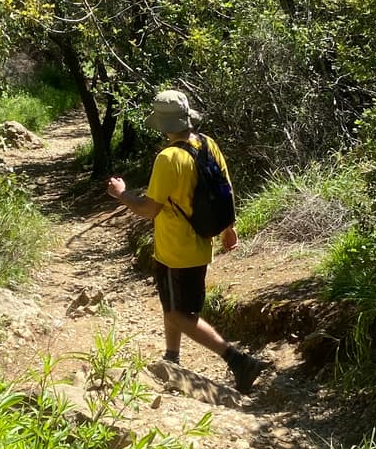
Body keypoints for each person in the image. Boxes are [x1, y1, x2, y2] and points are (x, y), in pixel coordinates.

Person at [106, 89, 266, 394]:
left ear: (163, 126)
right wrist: (229, 228)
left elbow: (148, 209)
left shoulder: (168, 158)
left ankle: (238, 360)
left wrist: (121, 194)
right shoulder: (207, 144)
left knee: (180, 314)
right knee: (173, 304)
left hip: (174, 249)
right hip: (199, 245)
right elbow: (225, 190)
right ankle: (172, 357)